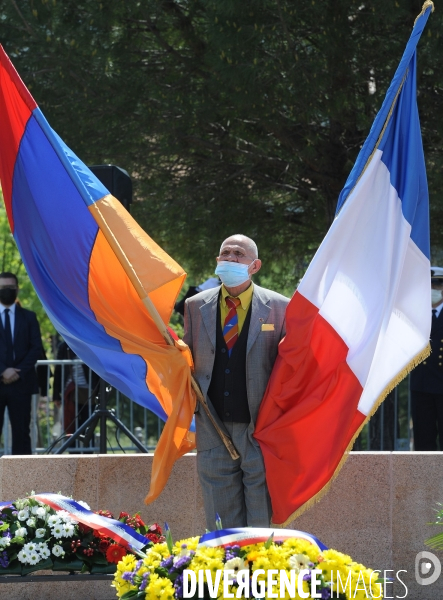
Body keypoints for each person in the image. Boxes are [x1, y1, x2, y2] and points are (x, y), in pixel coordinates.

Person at [183, 234, 289, 529]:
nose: (229, 258)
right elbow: (186, 360)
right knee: (221, 524)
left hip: (260, 430)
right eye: (224, 252)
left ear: (254, 265)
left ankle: (259, 574)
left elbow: (291, 366)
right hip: (212, 427)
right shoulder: (194, 306)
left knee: (260, 523)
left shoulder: (280, 308)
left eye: (238, 254)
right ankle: (227, 574)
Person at [0, 272, 42, 454]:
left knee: (22, 434)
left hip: (22, 383)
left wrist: (17, 372)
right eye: (2, 288)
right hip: (0, 381)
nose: (7, 291)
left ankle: (23, 480)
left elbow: (36, 348)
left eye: (10, 288)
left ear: (17, 289)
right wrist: (3, 371)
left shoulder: (29, 317)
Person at [411, 266, 443, 450]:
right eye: (429, 285)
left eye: (437, 284)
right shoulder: (416, 314)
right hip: (421, 386)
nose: (433, 289)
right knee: (424, 441)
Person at [53, 340, 99, 442]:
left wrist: (98, 392)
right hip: (70, 393)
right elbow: (58, 370)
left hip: (89, 392)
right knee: (71, 425)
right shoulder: (64, 346)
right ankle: (73, 454)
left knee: (88, 425)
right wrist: (56, 395)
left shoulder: (89, 344)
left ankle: (89, 454)